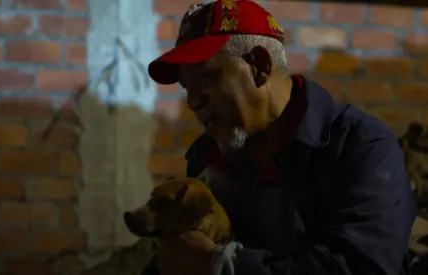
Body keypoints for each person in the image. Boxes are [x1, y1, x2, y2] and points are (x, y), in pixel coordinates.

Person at [145, 0, 416, 274]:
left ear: (259, 66)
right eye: (186, 86)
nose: (192, 101)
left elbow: (368, 267)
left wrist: (221, 266)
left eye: (206, 78)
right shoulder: (209, 160)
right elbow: (181, 258)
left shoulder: (360, 148)